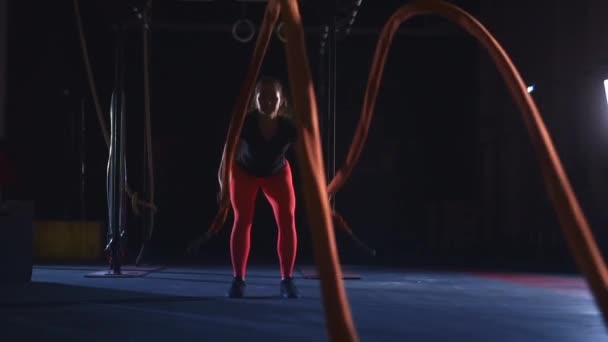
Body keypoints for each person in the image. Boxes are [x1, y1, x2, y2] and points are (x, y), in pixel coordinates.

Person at [218, 76, 299, 299]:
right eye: (262, 96)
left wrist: (320, 188)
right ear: (255, 99)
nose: (267, 101)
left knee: (287, 219)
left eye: (273, 97)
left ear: (281, 100)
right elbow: (228, 152)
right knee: (242, 220)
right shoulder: (246, 121)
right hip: (245, 173)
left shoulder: (288, 127)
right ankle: (238, 280)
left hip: (277, 174)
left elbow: (309, 158)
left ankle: (287, 280)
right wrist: (223, 184)